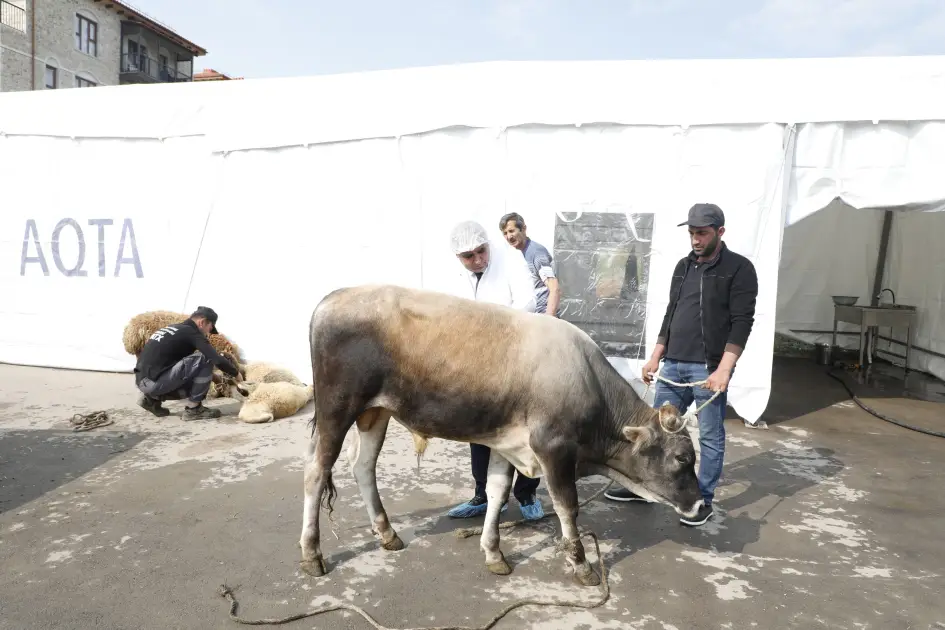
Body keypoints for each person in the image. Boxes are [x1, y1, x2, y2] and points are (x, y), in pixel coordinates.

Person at [604, 203, 758, 527]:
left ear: (720, 232)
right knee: (655, 434)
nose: (695, 239)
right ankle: (644, 487)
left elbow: (742, 322)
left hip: (708, 370)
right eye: (691, 233)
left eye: (702, 233)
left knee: (710, 436)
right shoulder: (683, 266)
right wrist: (656, 355)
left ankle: (702, 499)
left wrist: (724, 369)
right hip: (673, 365)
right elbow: (671, 313)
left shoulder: (739, 268)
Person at [444, 220, 545, 521]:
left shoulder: (511, 261)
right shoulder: (454, 276)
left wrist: (492, 330)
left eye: (481, 251)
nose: (478, 260)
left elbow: (529, 302)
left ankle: (526, 493)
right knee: (480, 429)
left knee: (523, 430)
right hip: (477, 365)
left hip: (515, 358)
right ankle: (484, 495)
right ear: (458, 257)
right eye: (469, 256)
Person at [134, 306, 241, 421]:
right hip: (154, 383)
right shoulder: (192, 332)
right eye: (210, 328)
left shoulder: (174, 328)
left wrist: (215, 378)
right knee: (205, 357)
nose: (208, 333)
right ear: (202, 322)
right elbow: (215, 359)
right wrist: (236, 373)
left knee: (196, 375)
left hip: (142, 381)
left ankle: (150, 400)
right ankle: (194, 410)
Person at [499, 212, 561, 317]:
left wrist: (548, 320)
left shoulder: (536, 253)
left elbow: (554, 288)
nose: (509, 236)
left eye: (511, 231)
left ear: (523, 229)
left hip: (542, 318)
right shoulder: (517, 254)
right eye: (505, 233)